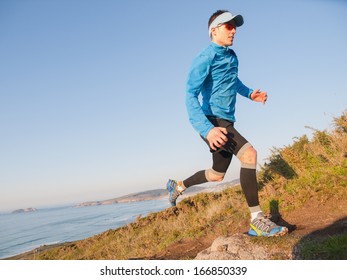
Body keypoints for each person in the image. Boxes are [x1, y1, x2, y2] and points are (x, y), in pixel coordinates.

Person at [166, 10, 288, 237]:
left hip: (225, 120)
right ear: (214, 30)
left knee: (216, 174)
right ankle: (256, 221)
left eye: (235, 26)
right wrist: (207, 130)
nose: (234, 31)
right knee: (249, 154)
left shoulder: (232, 56)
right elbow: (189, 95)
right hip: (212, 122)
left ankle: (178, 186)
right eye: (228, 26)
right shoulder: (205, 57)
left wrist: (251, 94)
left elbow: (234, 82)